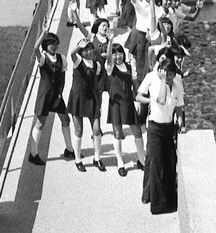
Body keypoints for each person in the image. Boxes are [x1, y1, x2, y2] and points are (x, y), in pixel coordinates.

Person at [136, 59, 185, 214]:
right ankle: (157, 205)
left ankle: (170, 200)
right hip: (155, 128)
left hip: (168, 127)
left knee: (170, 162)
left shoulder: (177, 86)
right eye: (166, 74)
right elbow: (162, 100)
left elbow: (179, 106)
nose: (169, 77)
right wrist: (163, 82)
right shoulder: (157, 84)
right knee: (156, 164)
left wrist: (181, 123)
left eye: (171, 74)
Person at [28, 31, 75, 165]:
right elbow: (35, 48)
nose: (54, 46)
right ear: (45, 45)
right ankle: (33, 153)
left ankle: (69, 148)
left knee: (65, 119)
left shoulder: (62, 58)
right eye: (50, 44)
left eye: (55, 43)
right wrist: (43, 32)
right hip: (44, 95)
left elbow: (63, 79)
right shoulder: (43, 58)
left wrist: (60, 94)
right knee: (40, 123)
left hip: (57, 96)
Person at [104, 36, 146, 175]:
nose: (118, 56)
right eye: (115, 53)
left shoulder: (129, 66)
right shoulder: (110, 67)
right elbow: (109, 59)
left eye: (120, 52)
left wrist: (139, 101)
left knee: (137, 132)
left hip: (128, 103)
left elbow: (135, 84)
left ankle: (141, 160)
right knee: (117, 133)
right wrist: (110, 42)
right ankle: (120, 163)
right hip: (115, 105)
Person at [67, 39, 105, 172]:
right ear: (81, 52)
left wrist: (99, 103)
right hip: (78, 98)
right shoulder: (78, 61)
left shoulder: (97, 65)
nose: (89, 51)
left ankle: (97, 158)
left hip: (92, 99)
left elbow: (97, 84)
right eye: (85, 49)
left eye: (90, 48)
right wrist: (78, 47)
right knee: (79, 130)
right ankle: (78, 159)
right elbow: (72, 55)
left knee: (96, 130)